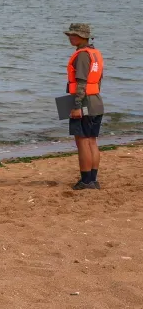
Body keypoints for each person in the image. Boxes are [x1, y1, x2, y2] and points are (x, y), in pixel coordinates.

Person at [65, 23, 104, 189]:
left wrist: (76, 106)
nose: (71, 37)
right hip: (96, 100)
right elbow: (98, 79)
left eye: (74, 35)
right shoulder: (95, 53)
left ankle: (86, 181)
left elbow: (81, 83)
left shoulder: (81, 55)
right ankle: (93, 179)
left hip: (84, 102)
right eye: (70, 34)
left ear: (84, 37)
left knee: (82, 141)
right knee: (92, 141)